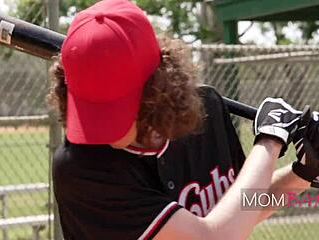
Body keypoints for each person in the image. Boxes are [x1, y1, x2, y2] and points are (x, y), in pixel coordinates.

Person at [47, 0, 319, 239]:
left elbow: (242, 209)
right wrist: (270, 140)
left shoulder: (206, 110)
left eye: (116, 108)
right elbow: (214, 237)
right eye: (92, 108)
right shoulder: (80, 169)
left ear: (155, 87)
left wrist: (302, 173)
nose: (102, 128)